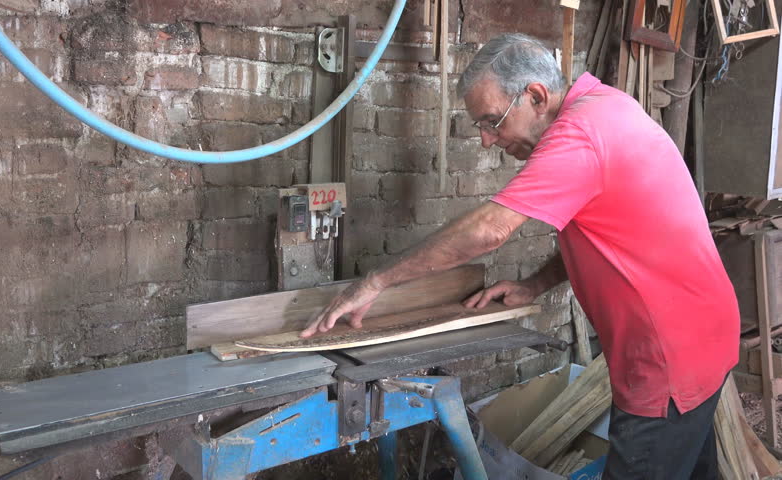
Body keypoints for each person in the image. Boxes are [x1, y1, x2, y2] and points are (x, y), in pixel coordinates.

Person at [300, 33, 739, 479]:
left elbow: (489, 231)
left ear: (535, 96)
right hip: (703, 333)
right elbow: (606, 235)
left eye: (493, 121)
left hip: (667, 358)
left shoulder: (577, 136)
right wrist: (535, 284)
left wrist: (376, 281)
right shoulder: (604, 105)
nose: (489, 141)